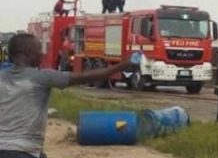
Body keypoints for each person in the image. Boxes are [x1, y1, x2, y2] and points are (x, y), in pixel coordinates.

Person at [0, 33, 137, 157]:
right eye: (38, 50)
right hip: (23, 150)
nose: (42, 54)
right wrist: (120, 67)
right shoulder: (41, 77)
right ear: (27, 53)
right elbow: (83, 77)